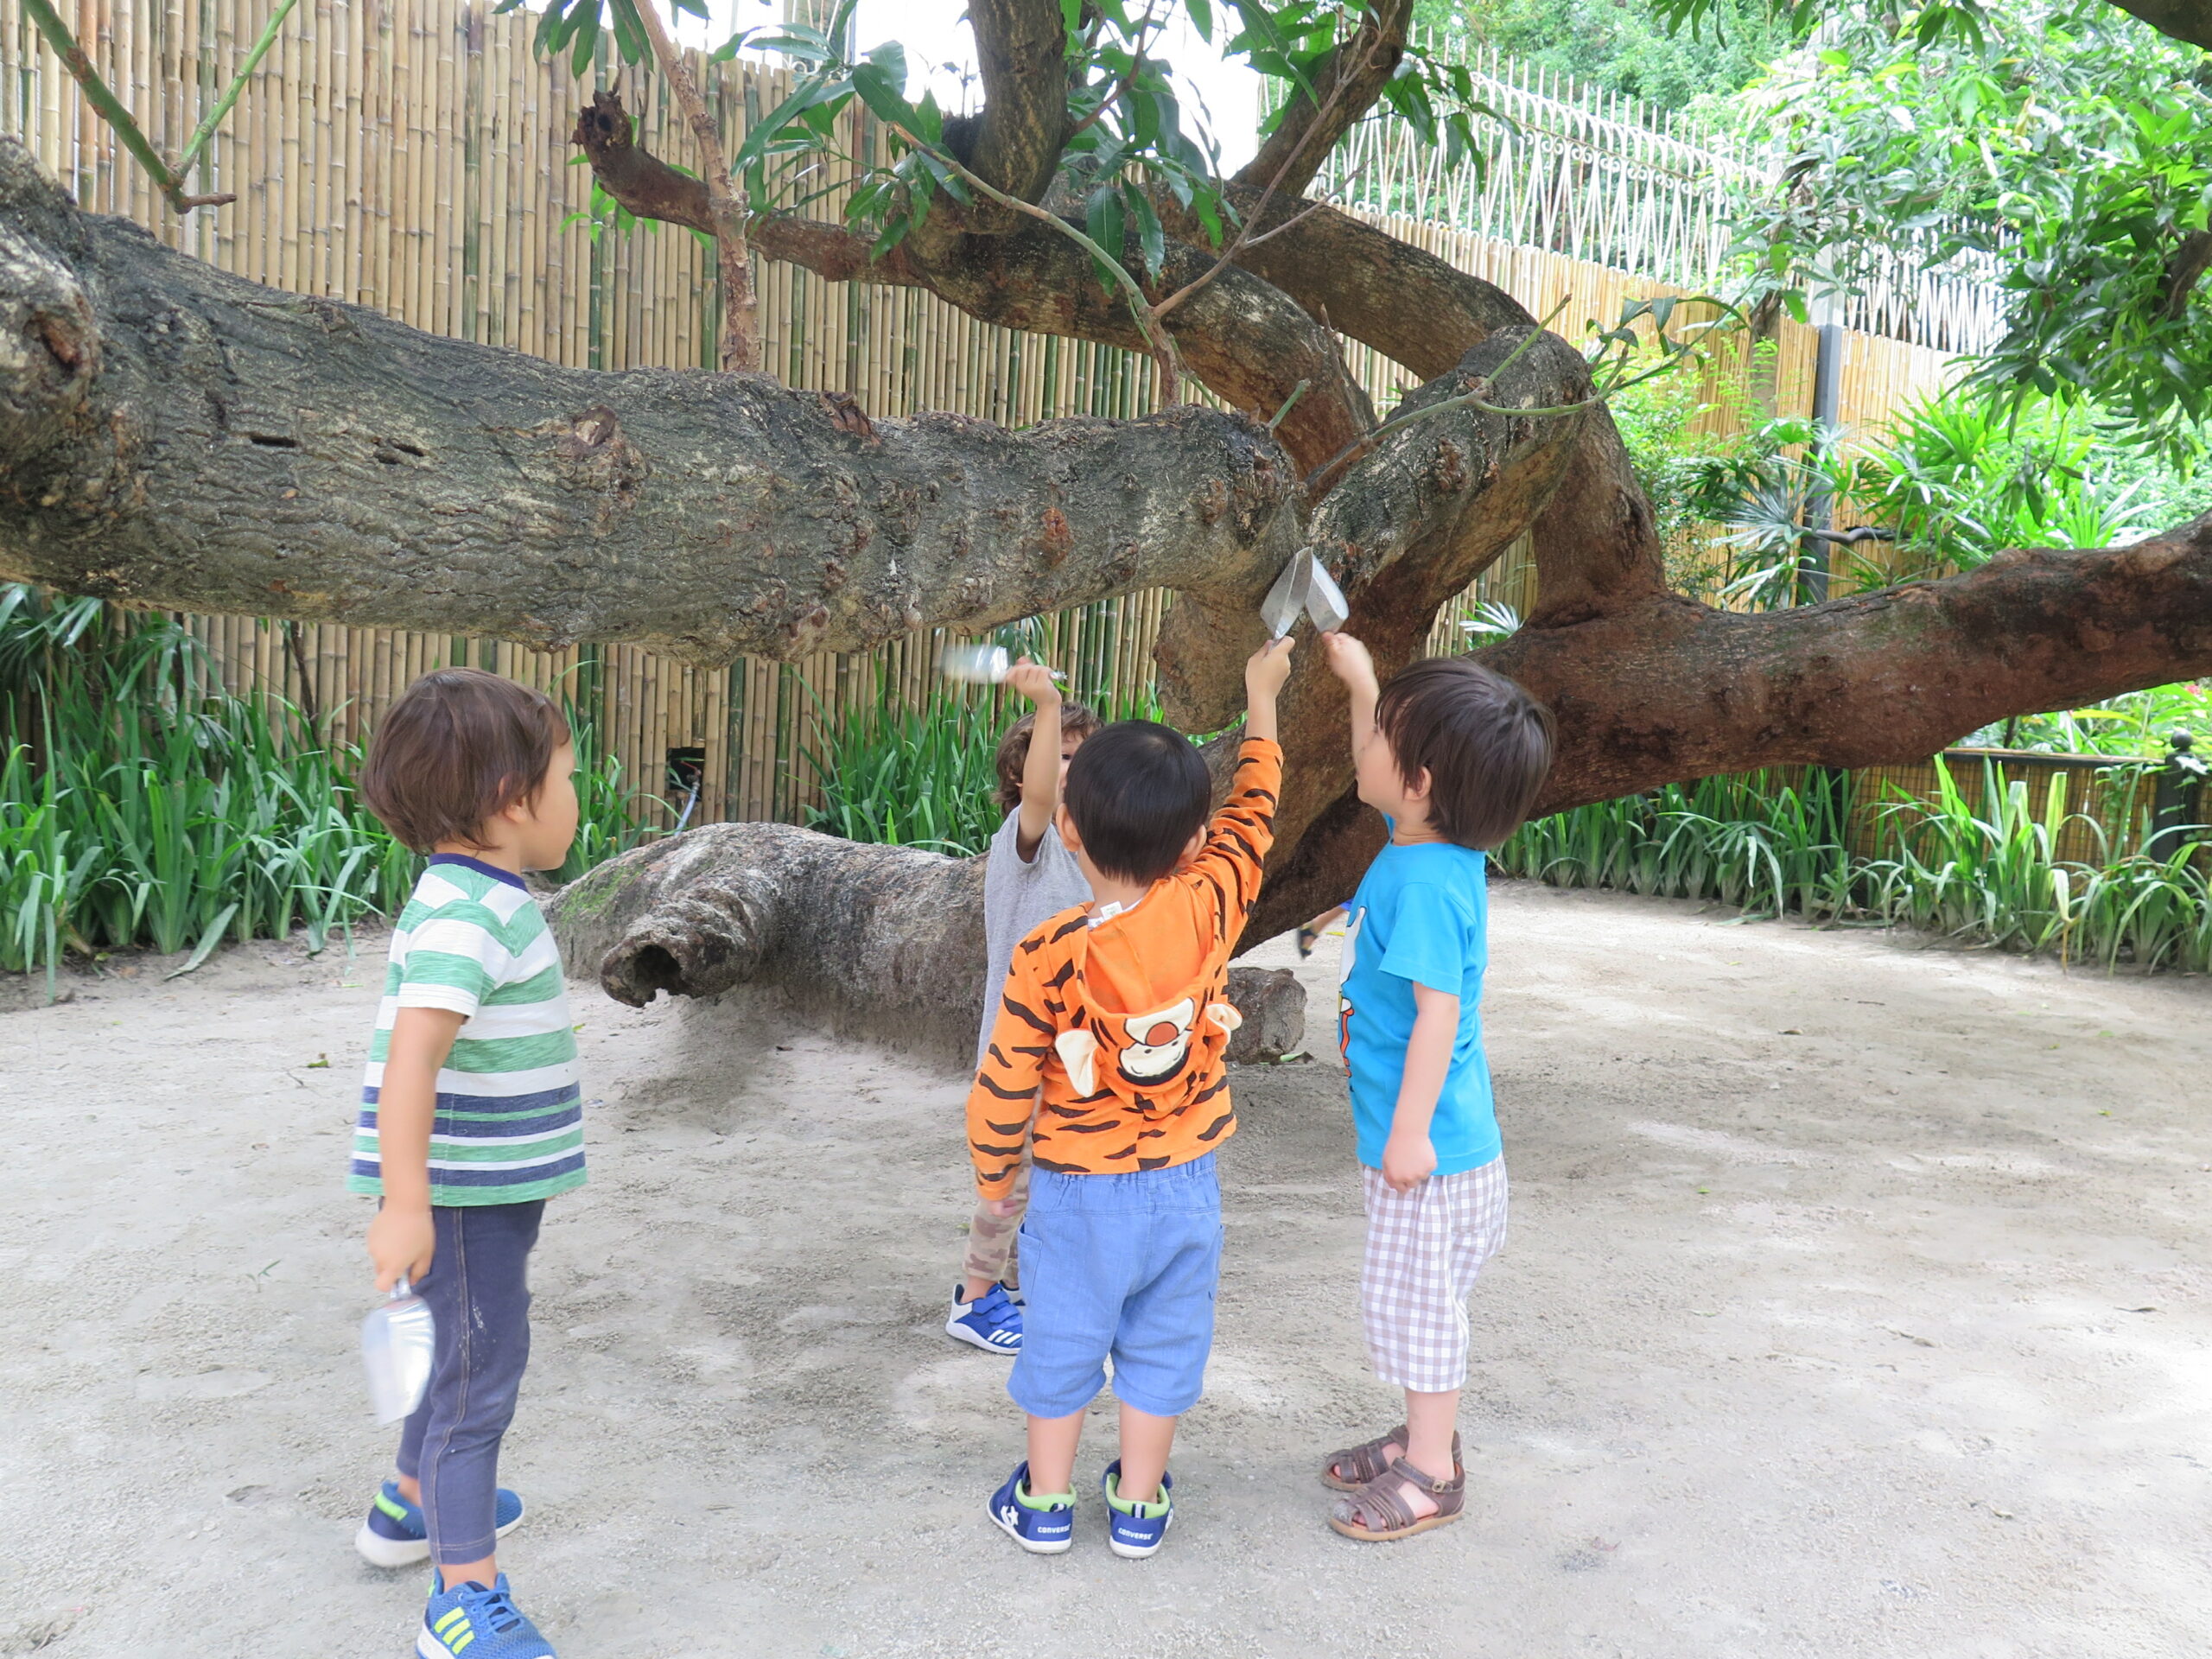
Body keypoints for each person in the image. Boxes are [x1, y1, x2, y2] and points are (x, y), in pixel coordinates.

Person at [967, 637, 1294, 1560]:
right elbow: (1255, 813)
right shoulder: (1213, 903)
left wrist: (996, 1177)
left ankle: (1043, 1501)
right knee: (1163, 1339)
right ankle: (1140, 1506)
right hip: (1186, 1179)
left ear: (1068, 831)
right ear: (1192, 842)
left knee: (1064, 1334)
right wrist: (1259, 698)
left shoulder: (1049, 951)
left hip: (1074, 1188)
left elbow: (1005, 1079)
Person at [348, 668, 585, 1659]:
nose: (578, 798)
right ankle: (462, 1597)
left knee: (461, 1356)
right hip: (454, 1196)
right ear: (510, 799)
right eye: (568, 776)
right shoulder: (467, 914)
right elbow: (414, 1057)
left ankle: (409, 1503)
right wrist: (408, 1202)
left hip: (489, 1186)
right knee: (477, 1377)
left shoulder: (479, 893)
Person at [1314, 634, 1554, 1542]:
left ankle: (1430, 1471)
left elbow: (1437, 1016)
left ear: (1415, 782)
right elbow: (1381, 760)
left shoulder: (1418, 882)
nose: (1362, 745)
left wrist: (1407, 1132)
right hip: (1439, 1146)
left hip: (1431, 1150)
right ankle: (1426, 1436)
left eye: (1379, 734)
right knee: (1410, 1303)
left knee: (1419, 1311)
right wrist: (1363, 684)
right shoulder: (1427, 846)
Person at [949, 663, 1103, 1356]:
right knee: (1006, 1181)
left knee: (1053, 1172)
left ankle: (1017, 1285)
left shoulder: (1094, 852)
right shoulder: (1026, 838)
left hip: (1073, 1049)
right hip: (1018, 1048)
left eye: (1084, 756)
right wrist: (1047, 704)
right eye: (1060, 754)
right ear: (1023, 777)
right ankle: (974, 1299)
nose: (1073, 768)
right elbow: (1044, 792)